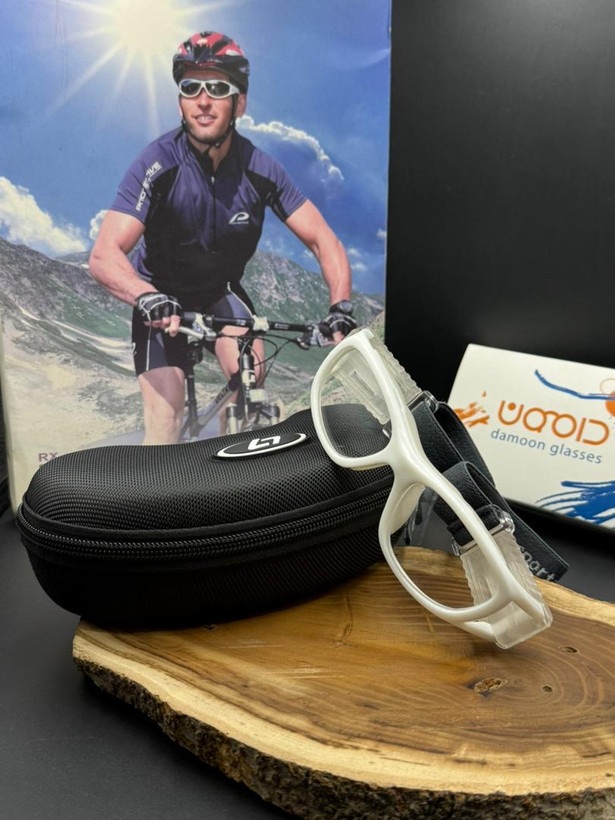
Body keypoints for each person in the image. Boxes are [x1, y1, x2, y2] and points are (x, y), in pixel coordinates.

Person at [89, 30, 356, 444]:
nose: (203, 100)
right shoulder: (157, 163)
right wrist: (146, 296)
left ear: (239, 103)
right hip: (160, 297)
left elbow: (324, 240)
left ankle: (226, 467)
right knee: (165, 416)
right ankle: (161, 483)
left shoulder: (260, 169)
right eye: (190, 87)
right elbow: (104, 254)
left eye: (217, 88)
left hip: (219, 292)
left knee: (252, 378)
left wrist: (340, 307)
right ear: (180, 101)